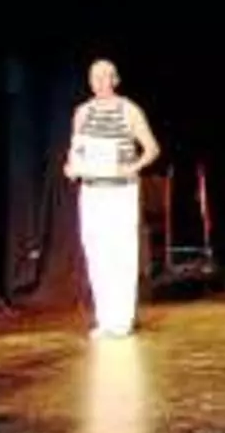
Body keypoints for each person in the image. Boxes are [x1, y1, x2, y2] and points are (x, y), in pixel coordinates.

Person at [64, 59, 160, 338]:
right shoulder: (82, 112)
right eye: (93, 76)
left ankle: (122, 319)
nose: (98, 81)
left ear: (115, 80)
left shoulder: (129, 110)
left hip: (120, 191)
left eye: (104, 76)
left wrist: (133, 166)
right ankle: (105, 319)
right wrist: (71, 167)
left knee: (121, 252)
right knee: (96, 252)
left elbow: (152, 148)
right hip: (92, 190)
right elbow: (76, 150)